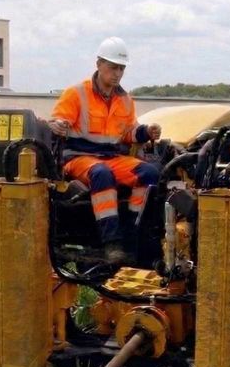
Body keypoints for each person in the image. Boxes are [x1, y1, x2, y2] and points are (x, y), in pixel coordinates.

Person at [45, 36, 161, 263]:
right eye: (112, 67)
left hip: (111, 157)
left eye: (121, 68)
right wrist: (57, 125)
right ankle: (112, 243)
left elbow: (129, 133)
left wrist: (147, 132)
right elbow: (57, 122)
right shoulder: (76, 93)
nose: (117, 73)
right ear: (98, 64)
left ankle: (131, 233)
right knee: (101, 174)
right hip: (78, 158)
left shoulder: (126, 100)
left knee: (150, 173)